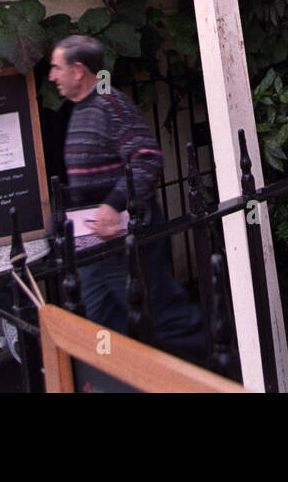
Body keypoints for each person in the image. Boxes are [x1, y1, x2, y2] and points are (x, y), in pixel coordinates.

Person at [47, 34, 205, 359]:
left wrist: (112, 205)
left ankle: (211, 372)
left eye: (56, 68)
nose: (51, 76)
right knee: (100, 322)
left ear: (78, 70)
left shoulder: (109, 103)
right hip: (94, 242)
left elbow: (147, 157)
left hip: (127, 237)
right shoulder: (81, 109)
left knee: (163, 314)